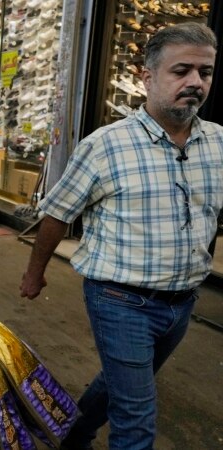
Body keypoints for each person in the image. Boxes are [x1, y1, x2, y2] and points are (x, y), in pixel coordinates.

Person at [19, 23, 222, 450]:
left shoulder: (218, 143)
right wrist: (34, 274)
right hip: (120, 300)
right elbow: (57, 213)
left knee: (122, 384)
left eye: (204, 72)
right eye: (181, 70)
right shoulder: (106, 145)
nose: (195, 83)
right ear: (146, 77)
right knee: (136, 419)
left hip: (182, 302)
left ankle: (71, 437)